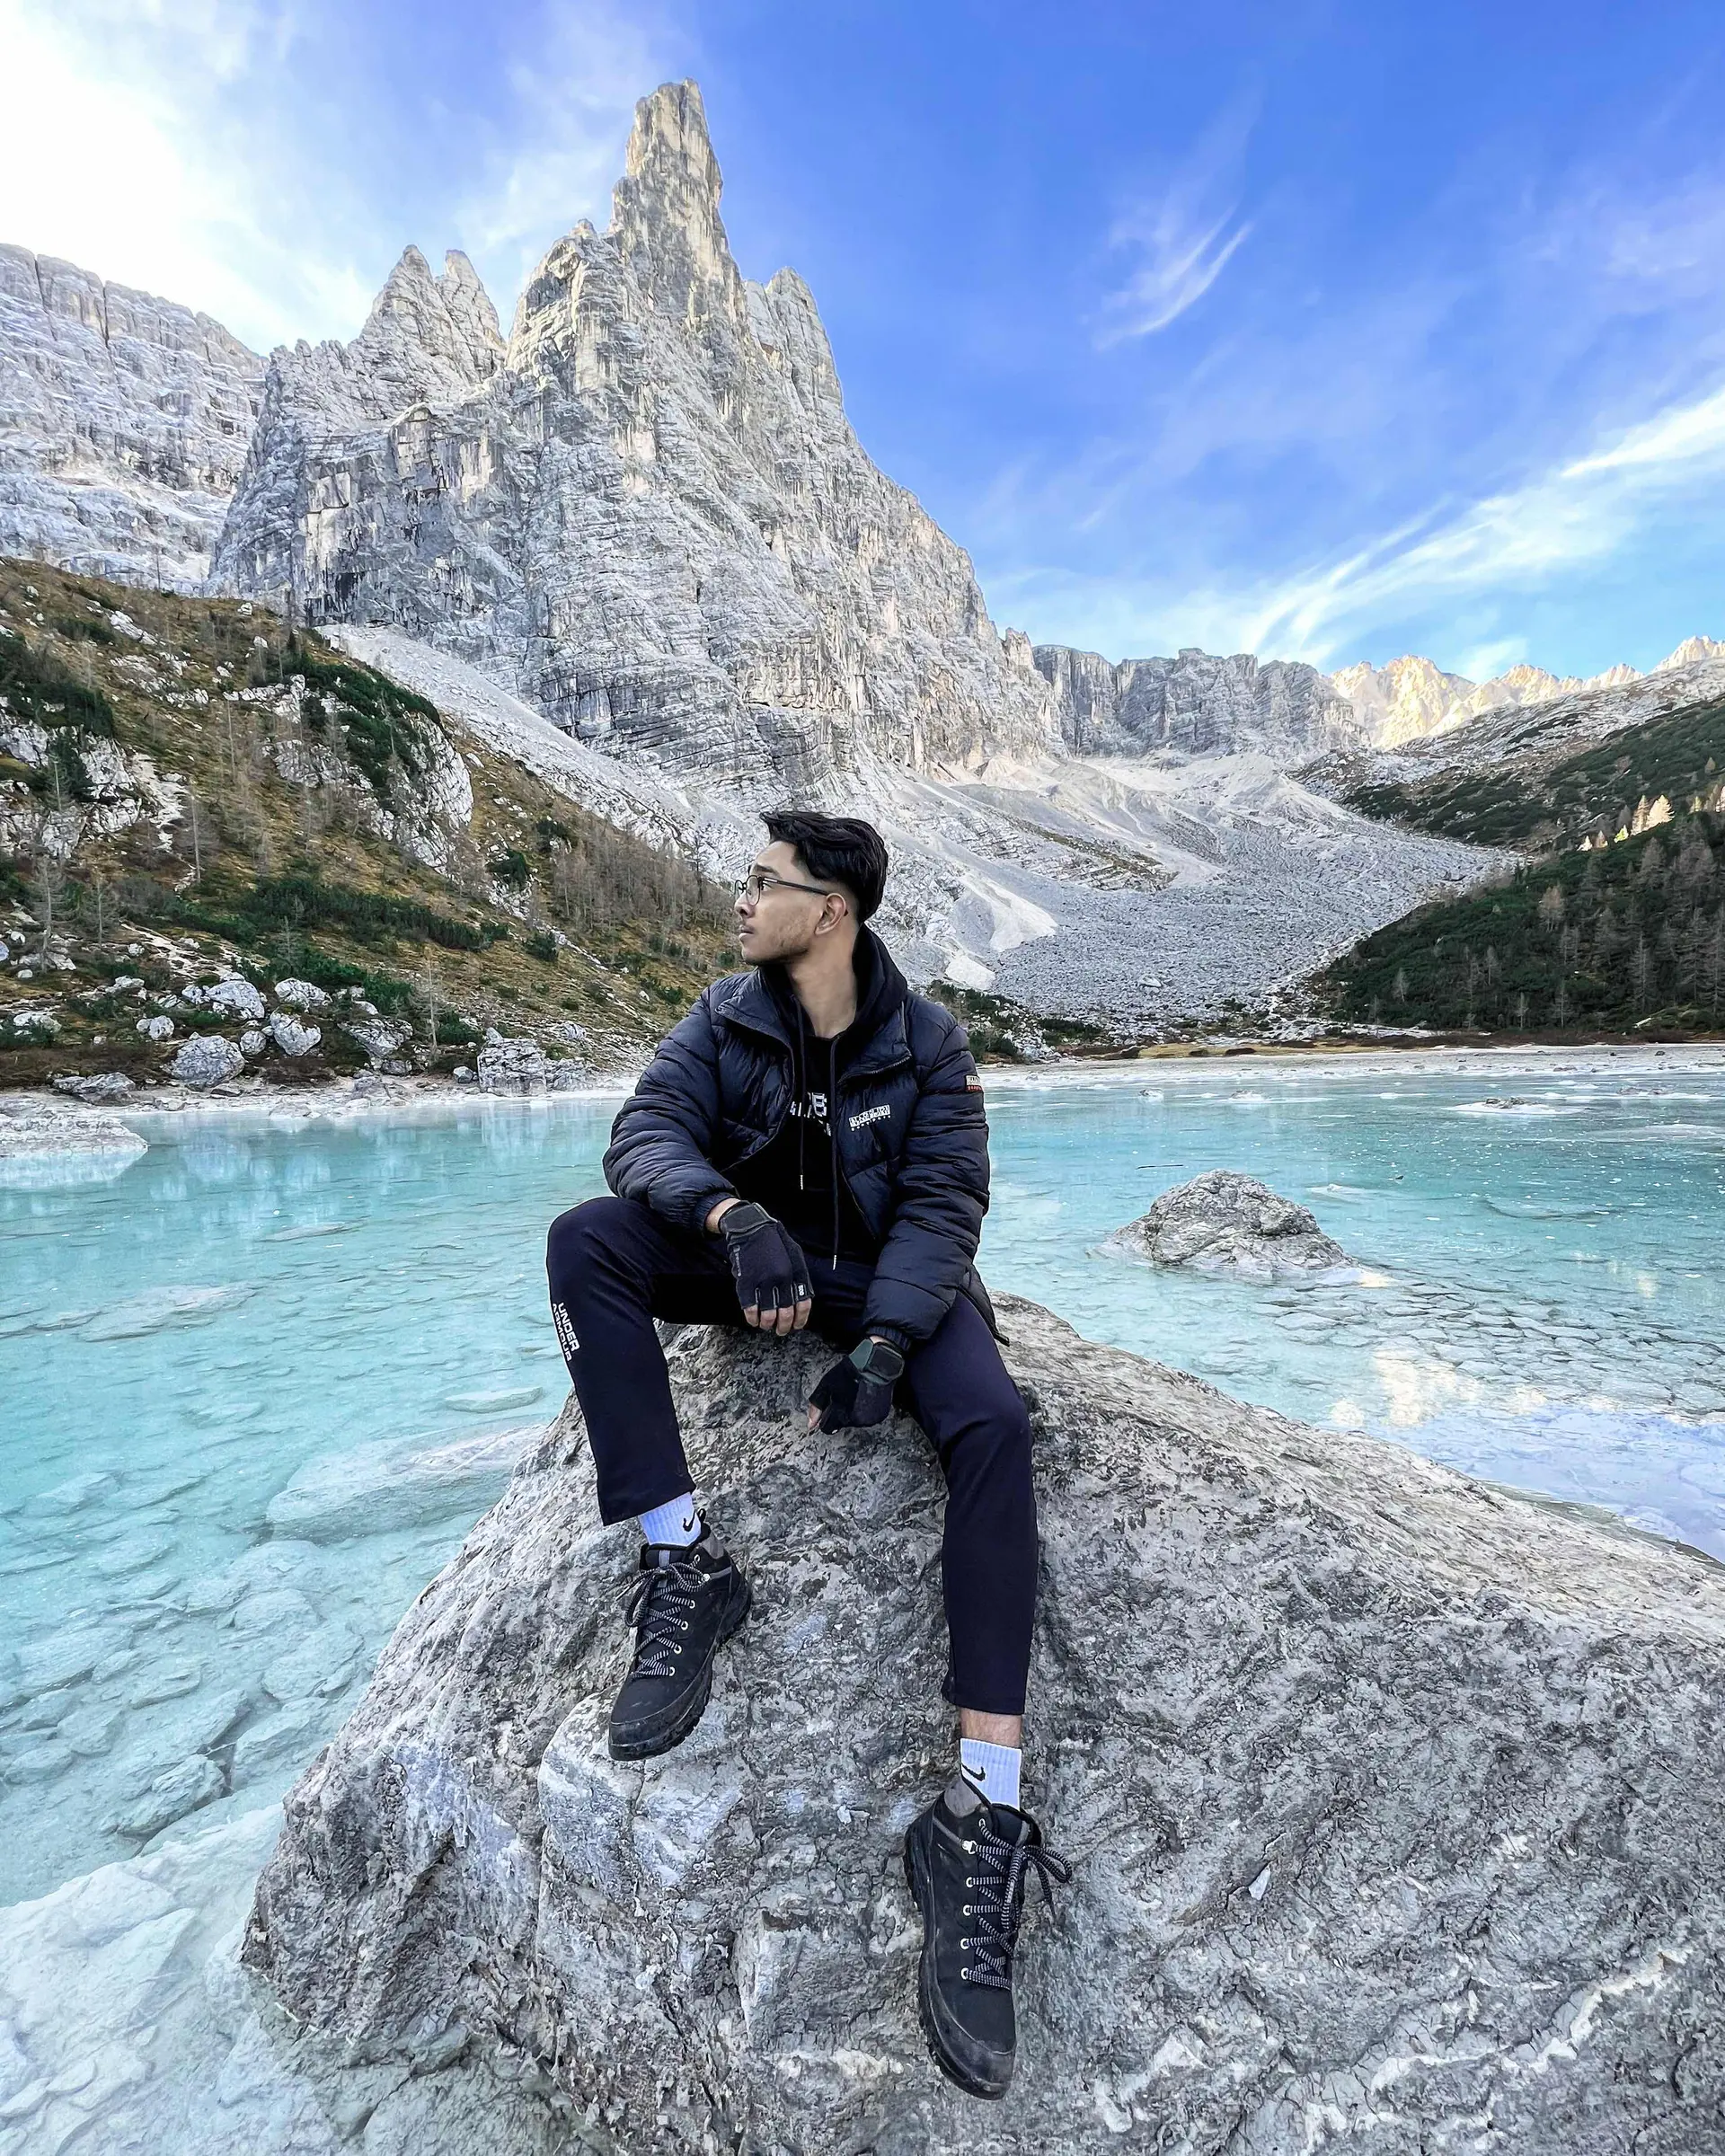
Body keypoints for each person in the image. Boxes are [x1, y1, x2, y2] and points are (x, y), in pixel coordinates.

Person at [545, 808, 1067, 2100]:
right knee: (586, 1239)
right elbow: (641, 1136)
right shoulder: (723, 1018)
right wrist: (731, 1216)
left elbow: (945, 1206)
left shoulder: (928, 1042)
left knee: (994, 1425)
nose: (740, 898)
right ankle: (685, 1564)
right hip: (757, 1267)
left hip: (881, 1289)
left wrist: (885, 1347)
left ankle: (980, 1807)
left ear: (830, 910)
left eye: (762, 881)